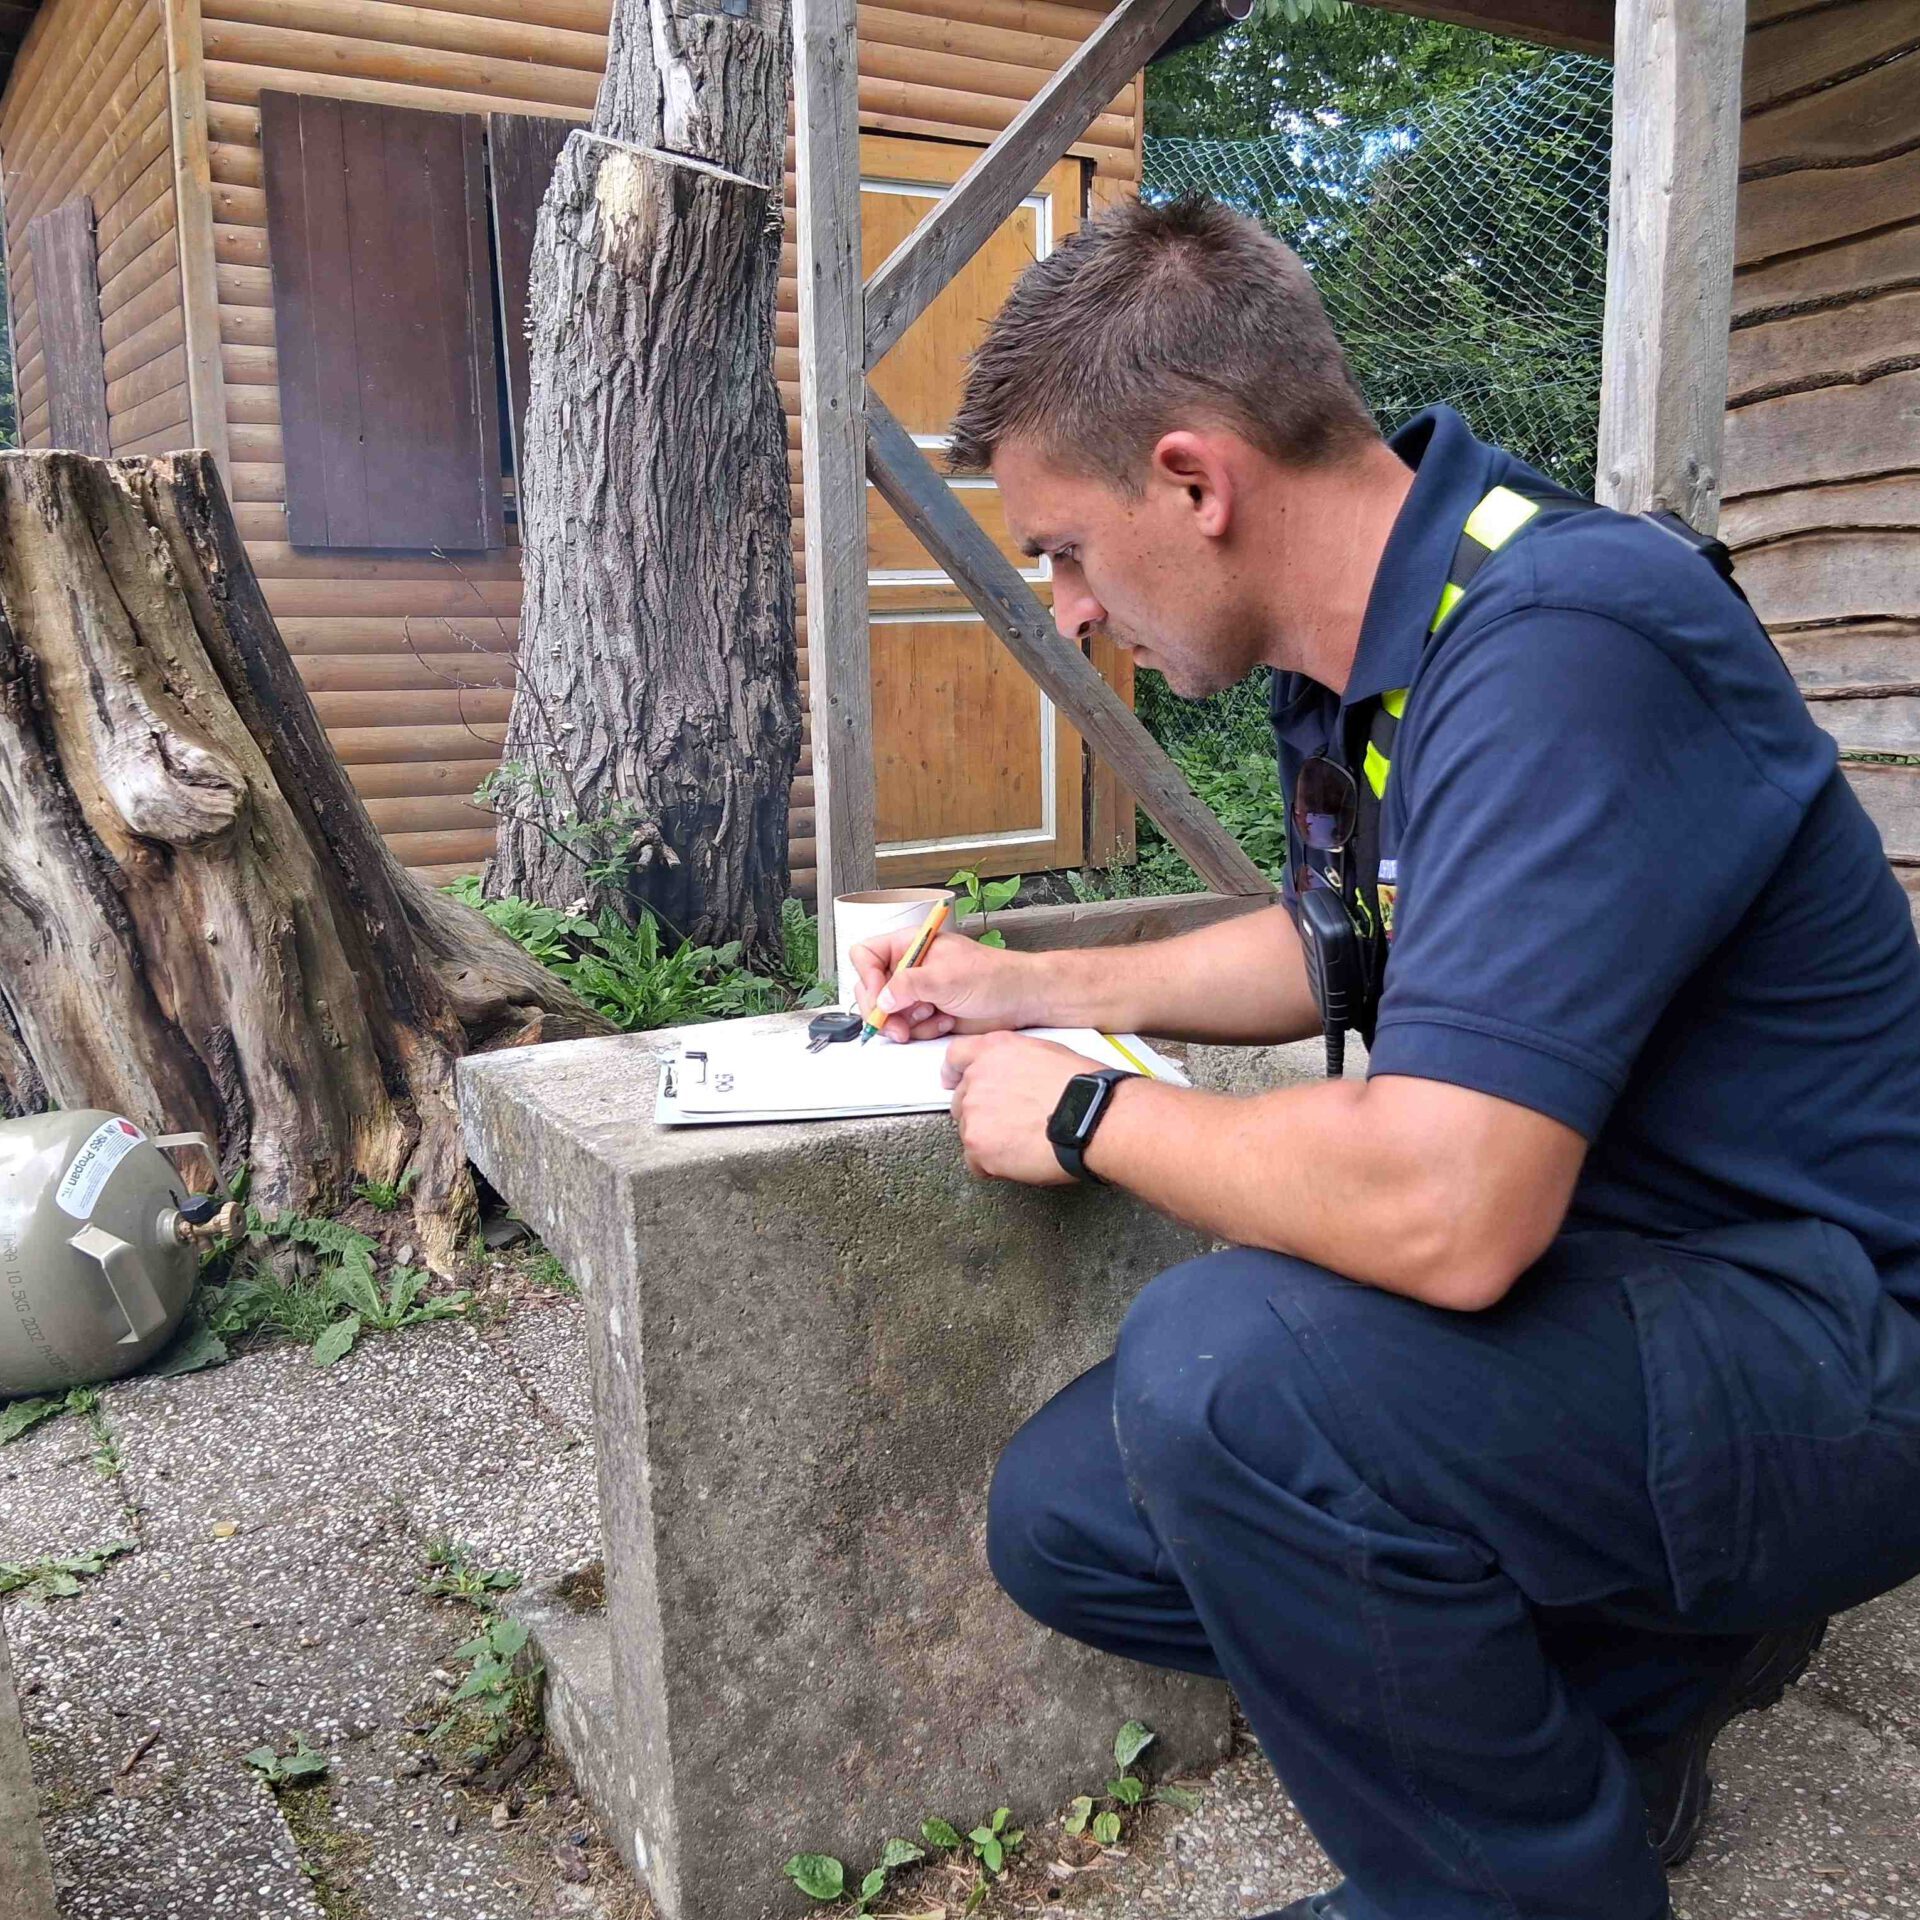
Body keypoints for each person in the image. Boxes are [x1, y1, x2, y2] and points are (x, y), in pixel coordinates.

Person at [848, 198, 1920, 1920]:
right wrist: (1023, 985)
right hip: (1638, 1300)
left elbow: (1448, 1212)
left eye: (1064, 549)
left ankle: (1522, 1890)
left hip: (1836, 1346)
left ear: (1196, 482)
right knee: (1072, 1512)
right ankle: (1627, 1720)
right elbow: (1339, 941)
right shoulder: (1369, 657)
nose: (1071, 611)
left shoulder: (1571, 641)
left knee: (1226, 1374)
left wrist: (1093, 1107)